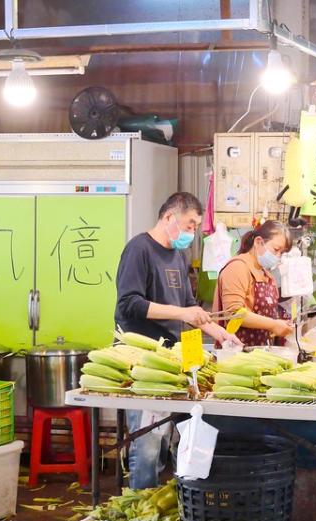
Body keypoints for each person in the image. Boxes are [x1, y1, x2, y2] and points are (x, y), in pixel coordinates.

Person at [115, 192, 240, 489]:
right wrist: (182, 311)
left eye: (196, 226)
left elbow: (188, 306)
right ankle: (141, 510)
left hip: (174, 361)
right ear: (169, 217)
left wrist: (220, 334)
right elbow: (128, 304)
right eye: (190, 224)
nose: (192, 232)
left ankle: (175, 508)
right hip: (144, 366)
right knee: (146, 443)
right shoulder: (139, 249)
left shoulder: (178, 255)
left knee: (176, 439)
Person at [212, 220, 294, 347]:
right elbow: (234, 313)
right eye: (276, 249)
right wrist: (273, 325)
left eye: (282, 253)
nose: (278, 256)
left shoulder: (267, 275)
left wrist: (281, 324)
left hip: (262, 354)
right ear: (258, 242)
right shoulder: (238, 267)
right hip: (236, 354)